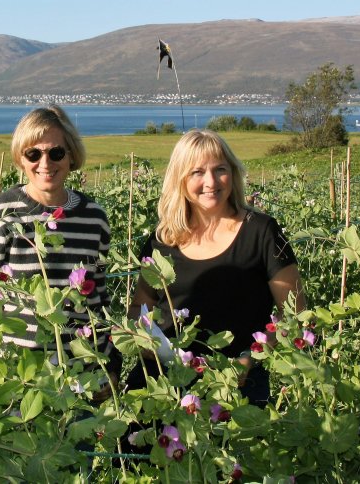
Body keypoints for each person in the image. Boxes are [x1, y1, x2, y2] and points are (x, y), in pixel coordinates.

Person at [126, 129, 305, 405]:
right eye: (197, 172)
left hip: (236, 389)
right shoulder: (163, 239)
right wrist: (147, 343)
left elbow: (295, 314)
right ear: (180, 180)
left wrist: (250, 357)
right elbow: (139, 308)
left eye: (219, 169)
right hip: (162, 385)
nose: (210, 181)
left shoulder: (261, 232)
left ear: (232, 173)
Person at [0, 105, 120, 395]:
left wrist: (109, 365)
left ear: (71, 155)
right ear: (21, 158)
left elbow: (99, 299)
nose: (45, 163)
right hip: (17, 378)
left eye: (56, 153)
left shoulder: (94, 217)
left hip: (81, 376)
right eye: (33, 154)